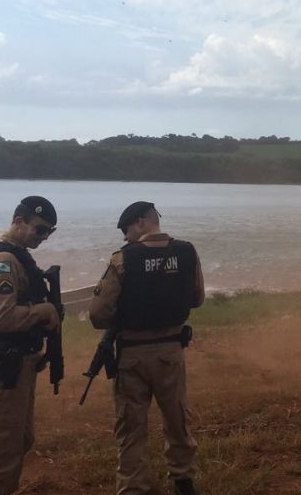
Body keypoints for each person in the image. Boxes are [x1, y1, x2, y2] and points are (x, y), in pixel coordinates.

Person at [90, 202, 205, 495]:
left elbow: (98, 315)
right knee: (177, 418)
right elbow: (197, 298)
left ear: (140, 223)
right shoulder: (187, 252)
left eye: (126, 230)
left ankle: (133, 487)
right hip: (170, 351)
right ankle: (183, 479)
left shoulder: (122, 259)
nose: (125, 237)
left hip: (132, 355)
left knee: (131, 427)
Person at [0, 195, 61, 495]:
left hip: (17, 365)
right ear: (19, 222)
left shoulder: (18, 255)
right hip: (5, 368)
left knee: (18, 442)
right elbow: (3, 317)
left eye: (49, 232)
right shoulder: (5, 261)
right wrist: (43, 311)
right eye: (40, 229)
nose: (43, 236)